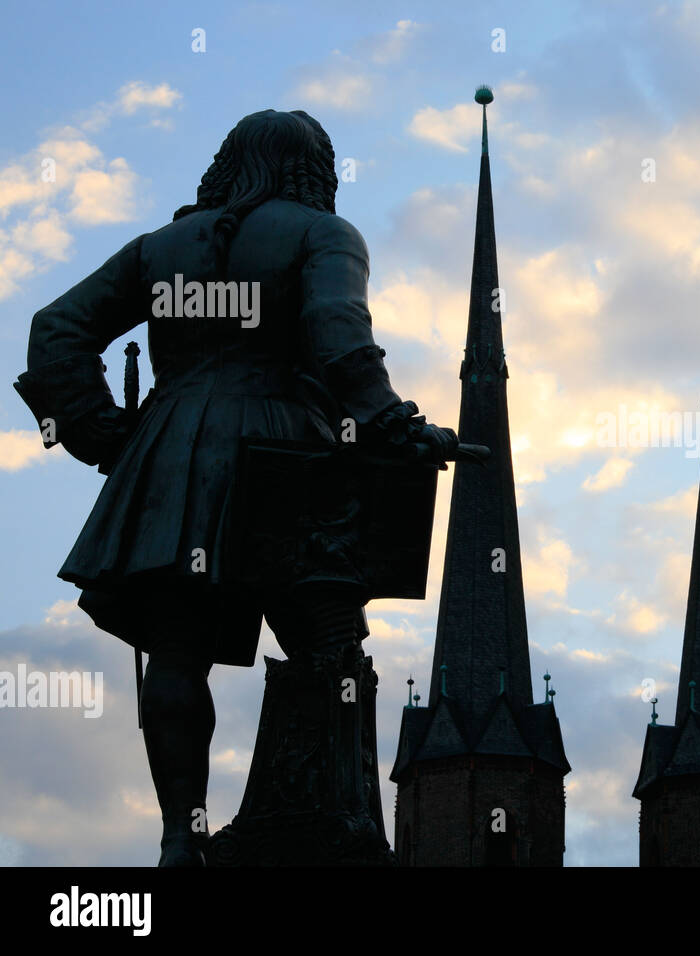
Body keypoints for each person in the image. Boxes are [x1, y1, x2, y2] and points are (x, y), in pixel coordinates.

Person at [13, 109, 457, 865]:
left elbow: (56, 329)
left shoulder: (161, 249)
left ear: (228, 164)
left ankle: (178, 837)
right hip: (286, 455)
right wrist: (390, 422)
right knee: (331, 646)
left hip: (173, 456)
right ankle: (337, 821)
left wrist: (100, 433)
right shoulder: (323, 235)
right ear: (314, 170)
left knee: (176, 650)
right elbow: (338, 332)